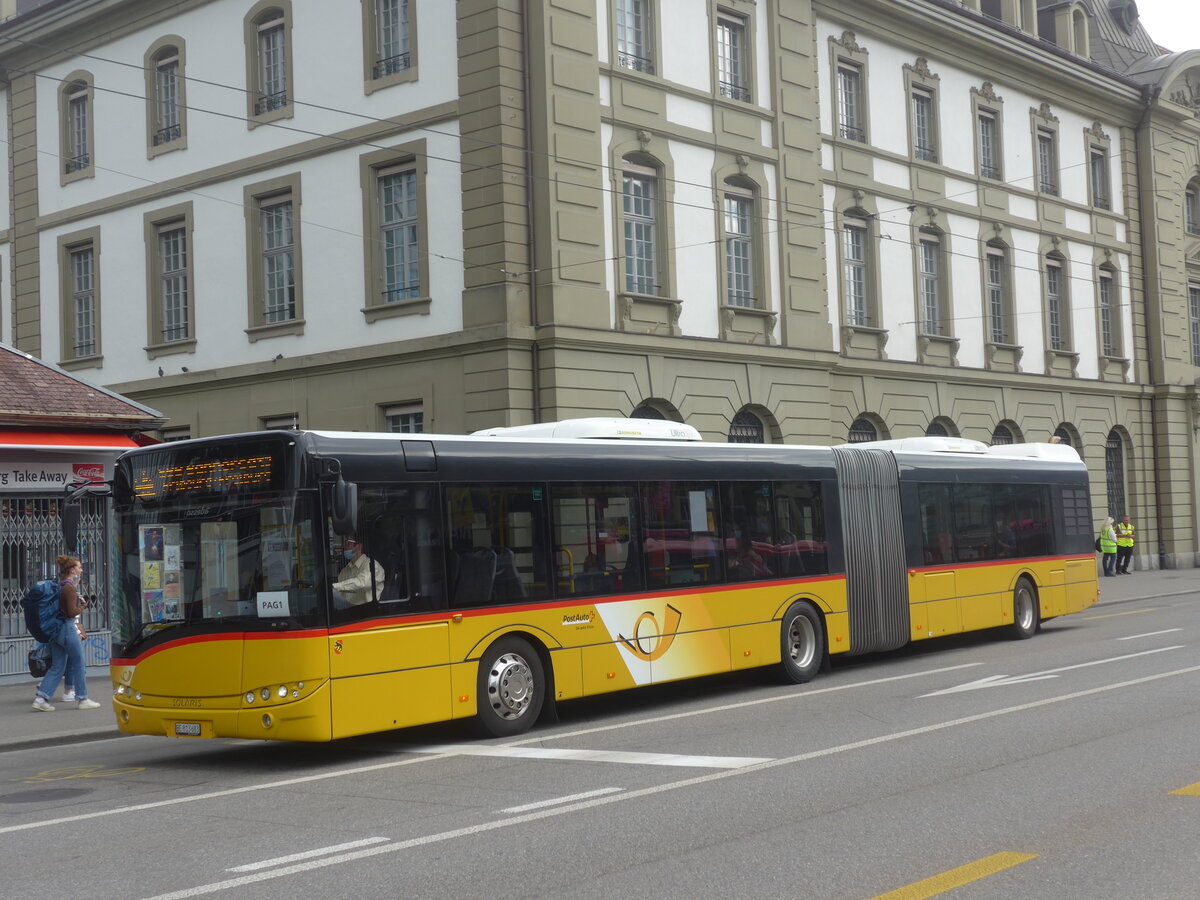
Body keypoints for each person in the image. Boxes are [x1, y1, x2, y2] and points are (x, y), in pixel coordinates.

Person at [32, 555, 101, 711]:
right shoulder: (69, 588)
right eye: (79, 567)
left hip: (56, 631)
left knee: (57, 666)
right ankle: (83, 699)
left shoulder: (61, 585)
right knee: (79, 664)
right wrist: (83, 605)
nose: (81, 570)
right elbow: (71, 613)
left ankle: (41, 699)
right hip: (67, 629)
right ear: (72, 570)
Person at [331, 536, 385, 610]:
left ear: (359, 546)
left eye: (348, 543)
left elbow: (362, 583)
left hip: (369, 613)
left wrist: (334, 587)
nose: (344, 546)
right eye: (344, 543)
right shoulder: (344, 571)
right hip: (349, 612)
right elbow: (342, 595)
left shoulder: (372, 565)